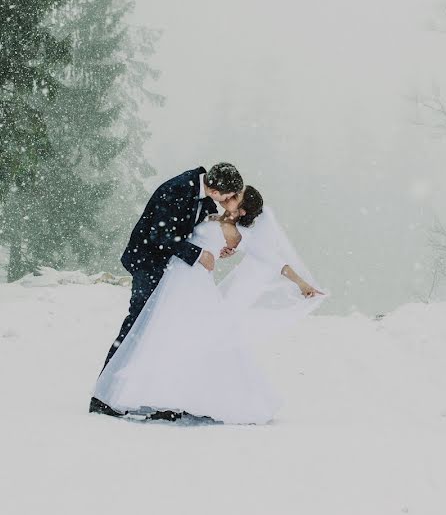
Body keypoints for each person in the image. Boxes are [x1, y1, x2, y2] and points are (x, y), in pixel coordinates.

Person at [91, 185, 324, 424]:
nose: (229, 197)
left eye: (235, 197)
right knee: (163, 338)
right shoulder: (209, 213)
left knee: (190, 341)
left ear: (242, 211)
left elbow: (274, 261)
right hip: (173, 281)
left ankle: (178, 399)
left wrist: (302, 283)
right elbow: (179, 235)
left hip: (195, 286)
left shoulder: (238, 235)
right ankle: (160, 396)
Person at [89, 163, 244, 417]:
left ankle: (155, 394)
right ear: (215, 190)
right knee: (137, 325)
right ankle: (104, 395)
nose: (228, 201)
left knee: (162, 329)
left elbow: (197, 226)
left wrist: (218, 247)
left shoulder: (201, 193)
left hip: (170, 269)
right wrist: (198, 255)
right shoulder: (178, 189)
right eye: (227, 197)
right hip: (148, 263)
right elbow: (160, 235)